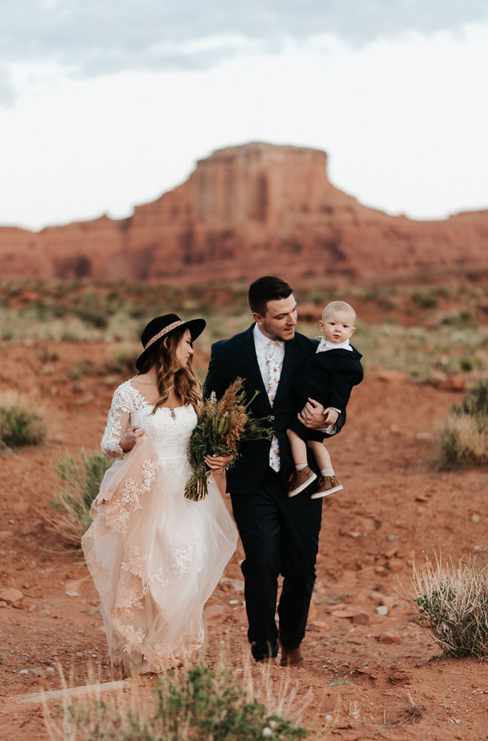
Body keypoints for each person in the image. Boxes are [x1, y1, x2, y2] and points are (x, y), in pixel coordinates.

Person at [82, 313, 237, 677]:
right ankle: (145, 652)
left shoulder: (191, 390)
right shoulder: (128, 392)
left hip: (189, 495)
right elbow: (107, 443)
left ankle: (173, 650)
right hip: (147, 495)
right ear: (166, 343)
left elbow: (204, 440)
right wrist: (125, 442)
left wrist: (219, 457)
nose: (192, 349)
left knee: (187, 568)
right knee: (149, 571)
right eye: (186, 342)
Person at [204, 276, 346, 667]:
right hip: (252, 477)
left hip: (303, 476)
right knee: (262, 563)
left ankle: (292, 641)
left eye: (295, 310)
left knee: (301, 566)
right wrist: (215, 448)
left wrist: (327, 421)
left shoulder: (315, 350)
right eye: (281, 315)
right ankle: (263, 649)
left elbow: (339, 402)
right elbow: (210, 406)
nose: (292, 320)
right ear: (258, 316)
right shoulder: (227, 351)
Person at [286, 300, 363, 500]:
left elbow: (342, 387)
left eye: (344, 327)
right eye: (333, 324)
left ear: (351, 331)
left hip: (316, 407)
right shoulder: (322, 346)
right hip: (312, 402)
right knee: (314, 442)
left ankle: (303, 471)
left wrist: (335, 409)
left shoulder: (344, 358)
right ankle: (329, 477)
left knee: (293, 433)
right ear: (322, 325)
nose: (338, 330)